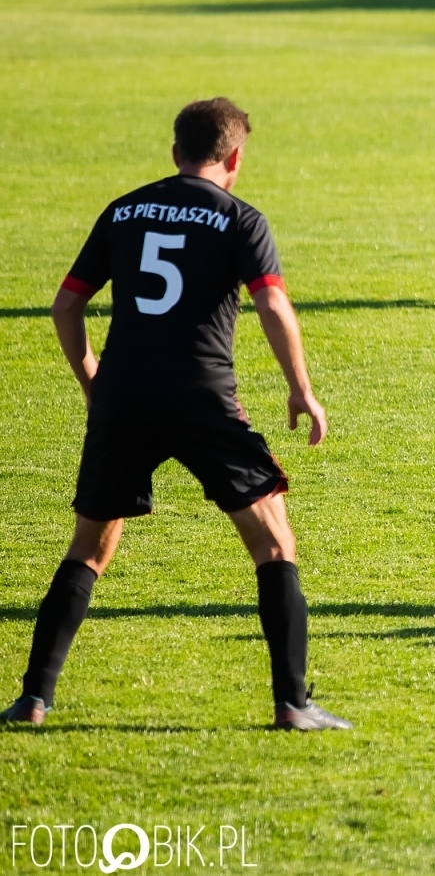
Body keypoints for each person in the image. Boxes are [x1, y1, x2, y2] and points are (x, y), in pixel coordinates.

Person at [0, 99, 350, 732]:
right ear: (235, 157)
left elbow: (66, 305)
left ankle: (32, 699)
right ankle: (293, 704)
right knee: (274, 542)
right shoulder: (241, 219)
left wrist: (92, 383)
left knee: (89, 548)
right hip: (203, 399)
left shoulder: (125, 209)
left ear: (174, 152)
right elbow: (271, 307)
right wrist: (301, 388)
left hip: (124, 399)